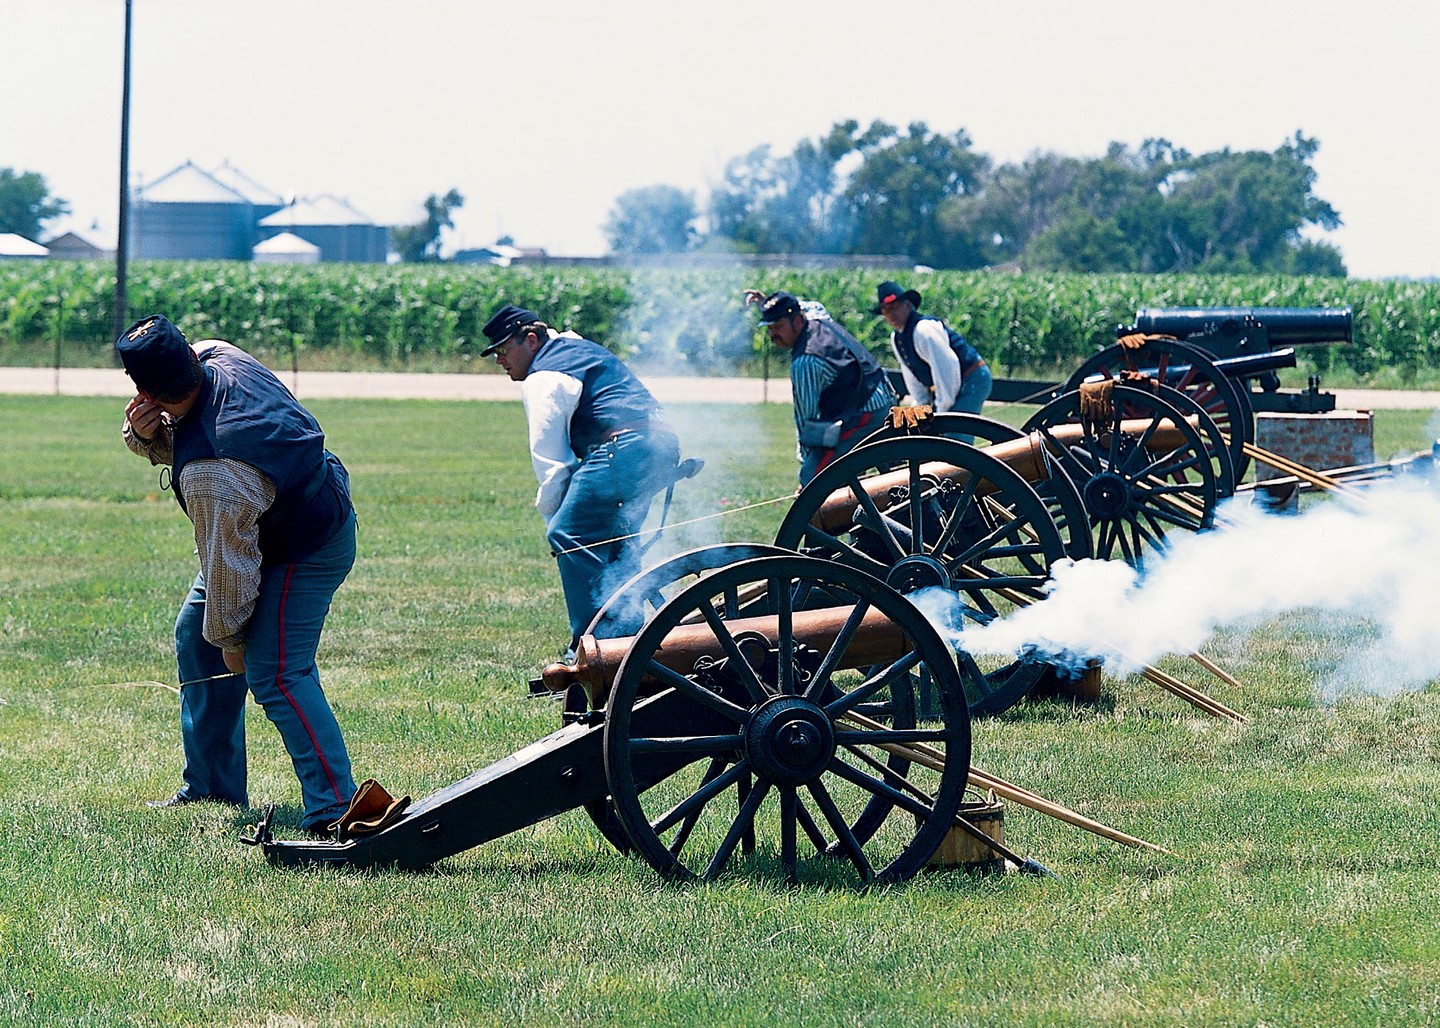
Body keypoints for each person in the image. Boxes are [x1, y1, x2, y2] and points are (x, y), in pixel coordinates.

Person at [117, 314, 357, 836]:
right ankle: (212, 786)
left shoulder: (214, 472)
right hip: (278, 513)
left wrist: (232, 640)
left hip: (306, 544)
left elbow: (231, 568)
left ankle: (336, 808)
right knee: (193, 636)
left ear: (143, 390)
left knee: (276, 673)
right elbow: (175, 440)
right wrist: (143, 436)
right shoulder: (220, 354)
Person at [481, 304, 682, 653]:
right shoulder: (577, 347)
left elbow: (554, 467)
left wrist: (556, 522)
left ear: (530, 340)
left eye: (503, 350)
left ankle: (593, 647)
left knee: (568, 533)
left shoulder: (544, 377)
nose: (499, 360)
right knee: (619, 540)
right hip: (660, 444)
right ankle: (629, 634)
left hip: (625, 448)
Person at [754, 290, 897, 486]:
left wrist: (807, 476)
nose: (773, 335)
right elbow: (812, 305)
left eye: (778, 327)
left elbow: (807, 425)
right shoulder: (816, 317)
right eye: (769, 328)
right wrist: (768, 304)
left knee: (813, 476)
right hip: (883, 398)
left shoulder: (806, 362)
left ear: (797, 321)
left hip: (867, 414)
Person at [872, 279, 992, 418]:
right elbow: (913, 378)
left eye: (895, 307)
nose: (891, 314)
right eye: (886, 310)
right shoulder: (896, 338)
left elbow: (947, 368)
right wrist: (920, 409)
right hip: (951, 384)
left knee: (954, 433)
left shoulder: (924, 330)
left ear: (908, 305)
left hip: (972, 377)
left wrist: (941, 412)